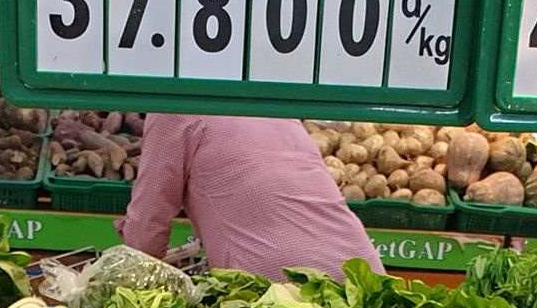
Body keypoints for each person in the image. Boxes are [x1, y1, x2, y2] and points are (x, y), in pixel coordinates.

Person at [120, 113, 386, 282]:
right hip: (361, 271)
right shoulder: (265, 98)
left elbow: (148, 226)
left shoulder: (174, 107)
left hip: (276, 283)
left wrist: (116, 279)